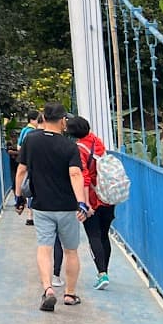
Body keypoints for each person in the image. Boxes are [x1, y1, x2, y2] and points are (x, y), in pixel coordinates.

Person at [14, 101, 90, 312]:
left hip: (41, 206)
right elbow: (75, 174)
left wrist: (18, 197)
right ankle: (70, 294)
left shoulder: (31, 140)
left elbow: (21, 170)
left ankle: (48, 289)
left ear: (43, 119)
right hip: (67, 207)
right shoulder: (69, 146)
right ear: (63, 121)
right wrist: (81, 202)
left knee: (45, 249)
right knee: (71, 251)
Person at [69, 115, 115, 290]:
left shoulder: (79, 148)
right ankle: (105, 271)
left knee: (93, 236)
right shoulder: (97, 141)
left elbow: (85, 177)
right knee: (104, 235)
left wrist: (85, 203)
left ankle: (102, 274)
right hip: (108, 196)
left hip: (94, 198)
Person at [15, 112, 43, 226]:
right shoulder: (32, 133)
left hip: (27, 163)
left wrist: (18, 196)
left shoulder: (24, 131)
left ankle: (30, 215)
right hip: (34, 164)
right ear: (32, 120)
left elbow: (19, 146)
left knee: (28, 186)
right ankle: (32, 214)